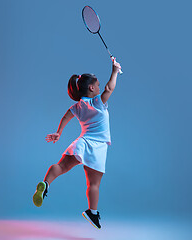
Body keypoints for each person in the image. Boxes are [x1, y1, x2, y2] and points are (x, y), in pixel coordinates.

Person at [33, 59, 122, 229]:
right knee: (93, 184)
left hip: (81, 143)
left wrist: (58, 132)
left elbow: (66, 116)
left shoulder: (78, 106)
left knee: (61, 167)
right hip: (97, 148)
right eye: (97, 85)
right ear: (91, 88)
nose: (100, 87)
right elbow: (110, 88)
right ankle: (92, 213)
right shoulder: (98, 103)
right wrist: (115, 70)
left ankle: (46, 184)